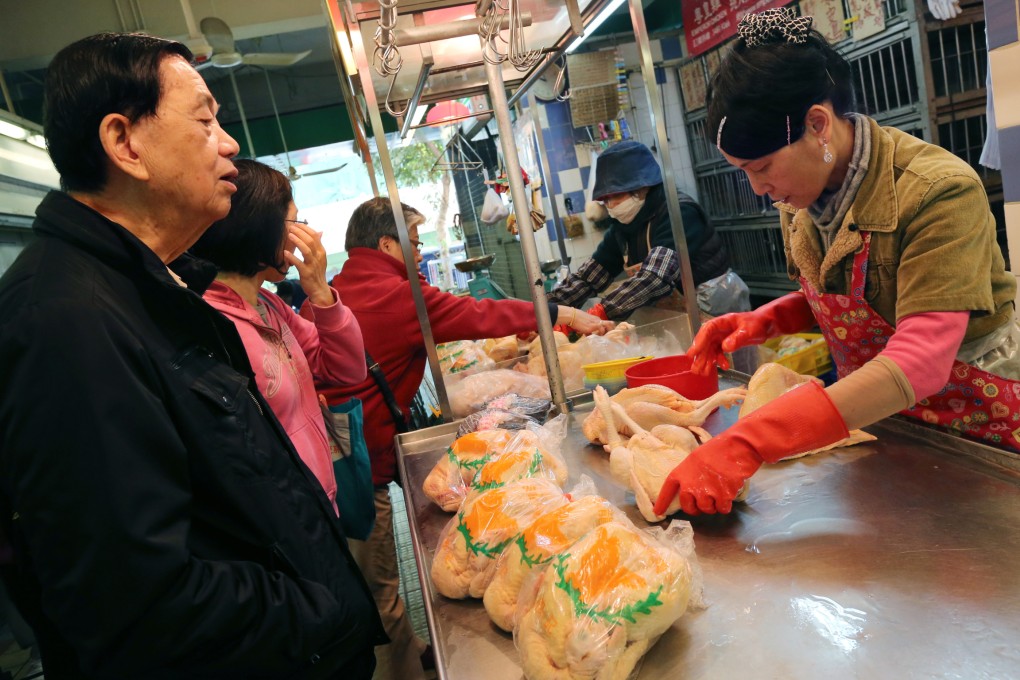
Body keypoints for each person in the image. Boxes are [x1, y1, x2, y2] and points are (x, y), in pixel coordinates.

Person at [0, 33, 384, 677]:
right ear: (126, 144)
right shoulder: (65, 320)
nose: (230, 143)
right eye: (205, 121)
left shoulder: (159, 283)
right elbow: (134, 600)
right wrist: (318, 610)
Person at [654, 8, 1019, 518]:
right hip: (887, 427)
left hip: (982, 438)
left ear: (818, 124)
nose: (758, 189)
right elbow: (854, 295)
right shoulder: (801, 198)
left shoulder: (937, 191)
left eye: (761, 167)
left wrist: (750, 443)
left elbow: (920, 360)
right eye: (743, 173)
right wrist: (768, 320)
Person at [311, 196, 613, 680]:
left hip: (337, 457)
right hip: (357, 465)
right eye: (412, 241)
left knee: (369, 583)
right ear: (387, 244)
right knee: (381, 590)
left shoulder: (345, 286)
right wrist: (563, 314)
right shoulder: (393, 293)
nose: (419, 249)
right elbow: (478, 314)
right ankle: (403, 671)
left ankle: (409, 656)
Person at [189, 159, 367, 514]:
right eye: (296, 222)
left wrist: (321, 294)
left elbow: (347, 370)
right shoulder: (211, 324)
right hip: (289, 520)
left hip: (320, 501)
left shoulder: (269, 305)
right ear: (261, 228)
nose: (308, 235)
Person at [547, 140, 732, 320]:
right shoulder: (623, 227)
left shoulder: (678, 212)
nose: (611, 205)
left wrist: (600, 311)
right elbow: (589, 278)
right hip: (678, 317)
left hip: (713, 309)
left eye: (617, 195)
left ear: (644, 186)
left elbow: (655, 278)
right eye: (605, 199)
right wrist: (547, 309)